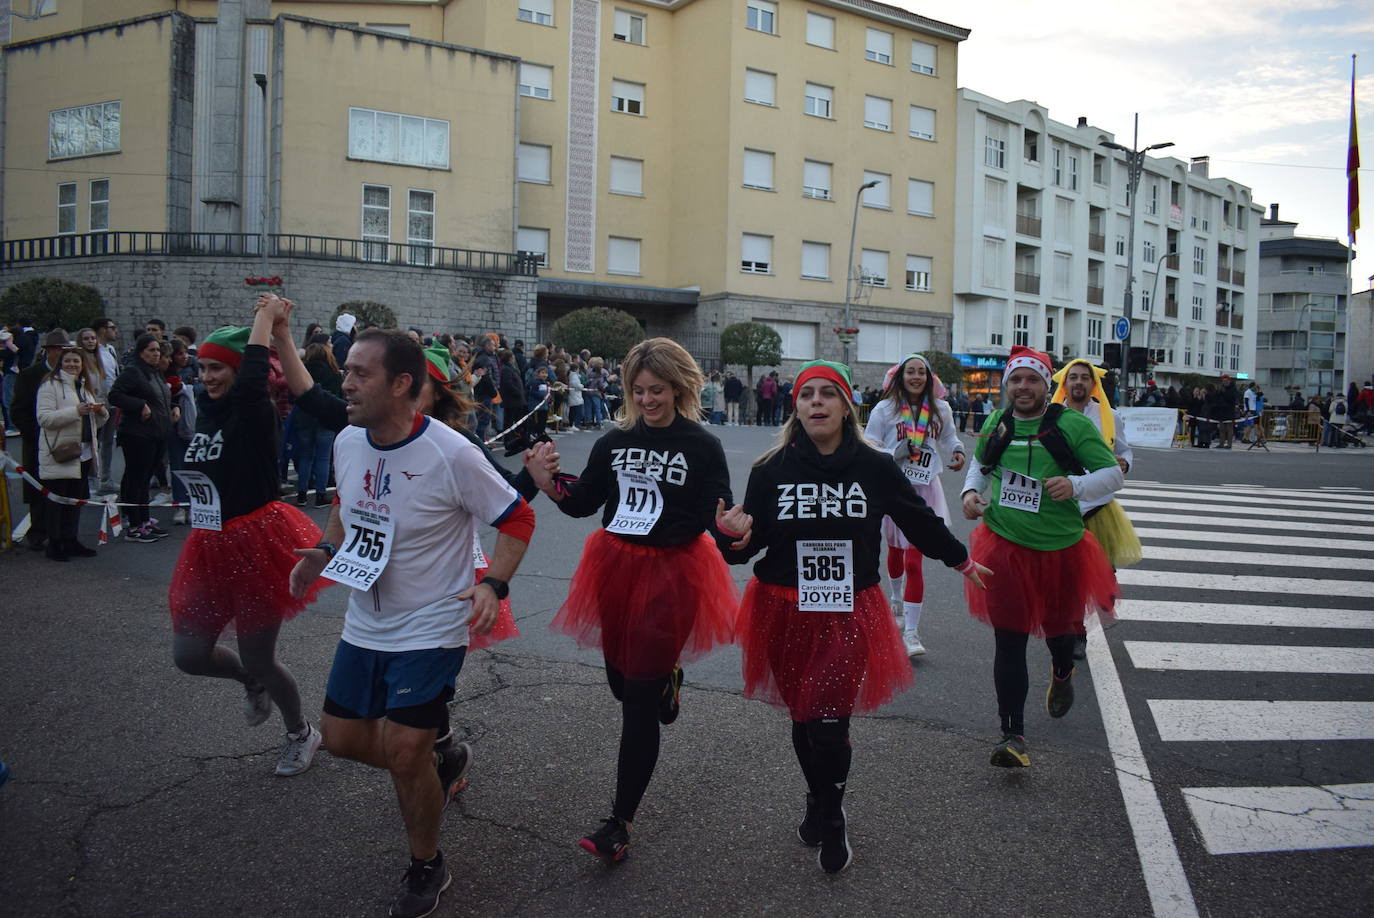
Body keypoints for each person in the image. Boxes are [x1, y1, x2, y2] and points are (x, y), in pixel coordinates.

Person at [288, 326, 535, 918]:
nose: (345, 383)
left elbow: (518, 517)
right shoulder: (348, 441)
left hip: (433, 623)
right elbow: (345, 507)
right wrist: (323, 552)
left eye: (359, 374)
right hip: (366, 620)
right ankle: (439, 761)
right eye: (345, 370)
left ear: (402, 384)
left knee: (402, 750)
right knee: (343, 740)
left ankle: (427, 863)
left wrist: (492, 585)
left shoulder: (451, 453)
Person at [718, 359, 988, 874]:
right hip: (783, 605)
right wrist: (730, 536)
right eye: (806, 395)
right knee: (803, 714)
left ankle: (834, 816)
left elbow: (918, 519)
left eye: (827, 394)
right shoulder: (770, 470)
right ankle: (817, 800)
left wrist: (962, 559)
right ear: (795, 407)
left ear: (845, 406)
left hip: (847, 607)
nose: (816, 402)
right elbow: (747, 549)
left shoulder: (875, 465)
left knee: (828, 717)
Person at [523, 337, 738, 863]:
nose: (647, 400)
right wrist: (549, 483)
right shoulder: (614, 443)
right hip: (615, 566)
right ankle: (666, 679)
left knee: (637, 702)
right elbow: (585, 503)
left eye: (657, 390)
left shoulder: (702, 446)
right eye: (638, 391)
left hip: (674, 573)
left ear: (680, 388)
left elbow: (721, 516)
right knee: (622, 682)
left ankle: (618, 821)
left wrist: (733, 533)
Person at [164, 309, 331, 780]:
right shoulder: (206, 407)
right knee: (189, 656)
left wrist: (264, 318)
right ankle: (248, 680)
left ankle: (300, 732)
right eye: (203, 368)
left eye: (218, 367)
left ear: (239, 370)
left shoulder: (254, 409)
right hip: (207, 546)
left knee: (260, 652)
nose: (208, 376)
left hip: (256, 545)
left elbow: (257, 373)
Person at [960, 346, 1123, 768]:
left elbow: (1113, 474)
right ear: (1006, 385)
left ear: (1046, 383)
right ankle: (1012, 735)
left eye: (1031, 379)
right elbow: (979, 466)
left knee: (1059, 632)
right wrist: (970, 493)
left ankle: (1062, 669)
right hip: (1005, 545)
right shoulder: (997, 421)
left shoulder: (1069, 424)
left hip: (1061, 548)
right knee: (1009, 639)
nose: (1022, 387)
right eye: (1015, 380)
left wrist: (1074, 485)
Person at [863, 354, 966, 656]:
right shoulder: (885, 409)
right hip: (895, 487)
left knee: (913, 560)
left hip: (926, 488)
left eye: (922, 372)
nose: (917, 377)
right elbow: (870, 444)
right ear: (900, 376)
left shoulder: (941, 409)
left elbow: (948, 437)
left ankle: (911, 633)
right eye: (911, 372)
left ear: (929, 377)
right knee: (895, 552)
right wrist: (896, 451)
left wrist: (957, 450)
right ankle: (896, 600)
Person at [36, 345, 108, 560]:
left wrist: (100, 413)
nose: (72, 365)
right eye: (68, 361)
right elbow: (44, 419)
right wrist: (76, 410)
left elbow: (93, 423)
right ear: (60, 363)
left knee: (76, 499)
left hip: (83, 451)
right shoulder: (50, 386)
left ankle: (71, 539)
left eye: (76, 362)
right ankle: (55, 544)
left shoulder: (84, 387)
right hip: (61, 451)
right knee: (58, 500)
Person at [109, 333, 174, 543]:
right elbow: (115, 395)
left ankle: (144, 520)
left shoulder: (155, 373)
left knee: (145, 479)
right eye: (151, 350)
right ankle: (134, 524)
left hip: (157, 432)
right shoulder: (133, 372)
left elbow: (160, 398)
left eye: (157, 350)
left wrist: (175, 407)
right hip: (138, 433)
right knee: (136, 478)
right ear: (141, 352)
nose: (156, 354)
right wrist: (139, 405)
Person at [12, 329, 74, 551]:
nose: (63, 355)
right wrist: (36, 434)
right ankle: (38, 532)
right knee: (39, 487)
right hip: (39, 440)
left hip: (66, 441)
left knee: (64, 488)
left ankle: (63, 534)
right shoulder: (30, 375)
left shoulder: (72, 375)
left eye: (66, 350)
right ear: (49, 351)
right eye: (59, 350)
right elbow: (18, 411)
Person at [292, 342, 343, 507]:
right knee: (323, 458)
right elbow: (339, 394)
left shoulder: (302, 372)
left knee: (306, 456)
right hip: (326, 418)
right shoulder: (334, 373)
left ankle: (302, 494)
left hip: (304, 418)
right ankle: (321, 495)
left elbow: (293, 395)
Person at [91, 318, 122, 491]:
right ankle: (91, 479)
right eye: (112, 327)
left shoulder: (110, 350)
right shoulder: (92, 352)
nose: (115, 331)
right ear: (102, 330)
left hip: (111, 402)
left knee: (108, 442)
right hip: (97, 403)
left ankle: (106, 478)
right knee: (92, 442)